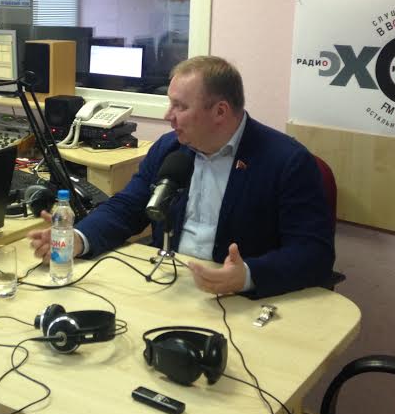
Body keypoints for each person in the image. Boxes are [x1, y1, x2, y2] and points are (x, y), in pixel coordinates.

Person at [28, 56, 334, 298]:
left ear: (220, 111)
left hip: (240, 301)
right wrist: (77, 238)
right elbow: (127, 207)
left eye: (180, 106)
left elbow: (314, 254)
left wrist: (248, 276)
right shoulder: (170, 148)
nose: (167, 116)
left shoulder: (287, 161)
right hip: (168, 285)